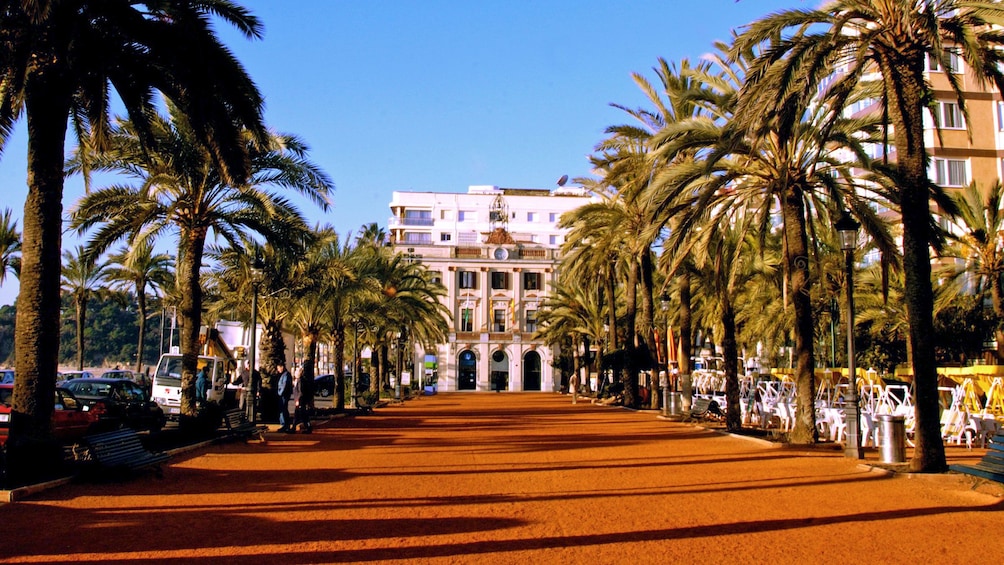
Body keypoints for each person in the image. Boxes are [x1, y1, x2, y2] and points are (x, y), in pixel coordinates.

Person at [291, 368, 312, 434]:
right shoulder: (298, 380)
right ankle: (294, 428)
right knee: (298, 414)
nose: (295, 373)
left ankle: (308, 427)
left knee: (302, 415)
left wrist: (298, 400)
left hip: (301, 401)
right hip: (300, 400)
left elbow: (301, 392)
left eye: (296, 372)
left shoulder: (300, 381)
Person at [276, 361, 293, 433]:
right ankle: (285, 424)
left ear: (282, 367)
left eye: (278, 368)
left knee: (283, 409)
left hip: (283, 395)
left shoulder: (286, 375)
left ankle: (285, 425)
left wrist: (280, 393)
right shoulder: (284, 375)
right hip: (283, 395)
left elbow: (284, 386)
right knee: (283, 409)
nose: (278, 370)